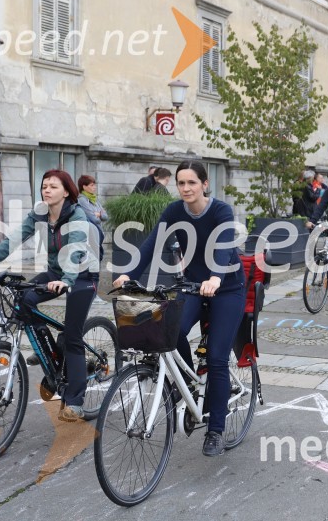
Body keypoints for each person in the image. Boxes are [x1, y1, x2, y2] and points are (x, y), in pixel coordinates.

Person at [112, 161, 245, 457]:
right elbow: (151, 244)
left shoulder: (220, 210)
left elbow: (223, 246)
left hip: (227, 287)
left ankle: (215, 430)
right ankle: (188, 383)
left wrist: (215, 277)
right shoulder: (174, 211)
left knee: (217, 358)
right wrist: (129, 273)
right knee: (171, 330)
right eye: (181, 183)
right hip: (195, 285)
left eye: (192, 183)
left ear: (204, 184)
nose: (186, 188)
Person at [0, 170, 99, 422]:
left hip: (82, 275)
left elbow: (74, 252)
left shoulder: (78, 216)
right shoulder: (40, 213)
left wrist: (66, 281)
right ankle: (49, 352)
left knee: (72, 336)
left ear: (66, 191)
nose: (46, 190)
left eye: (53, 186)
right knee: (24, 302)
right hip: (55, 270)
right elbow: (12, 241)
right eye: (44, 186)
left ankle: (75, 402)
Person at [77, 174, 108, 260]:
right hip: (89, 236)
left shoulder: (95, 199)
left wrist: (99, 214)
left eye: (95, 185)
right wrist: (99, 214)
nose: (95, 187)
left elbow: (106, 216)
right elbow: (93, 219)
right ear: (84, 187)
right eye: (92, 185)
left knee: (98, 259)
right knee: (92, 261)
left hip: (99, 234)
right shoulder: (82, 200)